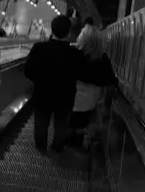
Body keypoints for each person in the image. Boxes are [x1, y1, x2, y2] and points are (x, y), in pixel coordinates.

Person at [24, 15, 88, 153]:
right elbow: (82, 74)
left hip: (42, 96)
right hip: (65, 99)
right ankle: (57, 148)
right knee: (61, 127)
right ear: (69, 33)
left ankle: (41, 148)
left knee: (40, 125)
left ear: (51, 30)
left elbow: (28, 72)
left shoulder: (39, 48)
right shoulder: (76, 54)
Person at [69, 28, 117, 148]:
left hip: (73, 99)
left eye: (80, 35)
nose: (78, 37)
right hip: (90, 101)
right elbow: (111, 80)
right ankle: (79, 144)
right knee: (80, 124)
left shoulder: (76, 55)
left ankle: (69, 146)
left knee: (70, 124)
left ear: (84, 39)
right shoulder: (103, 59)